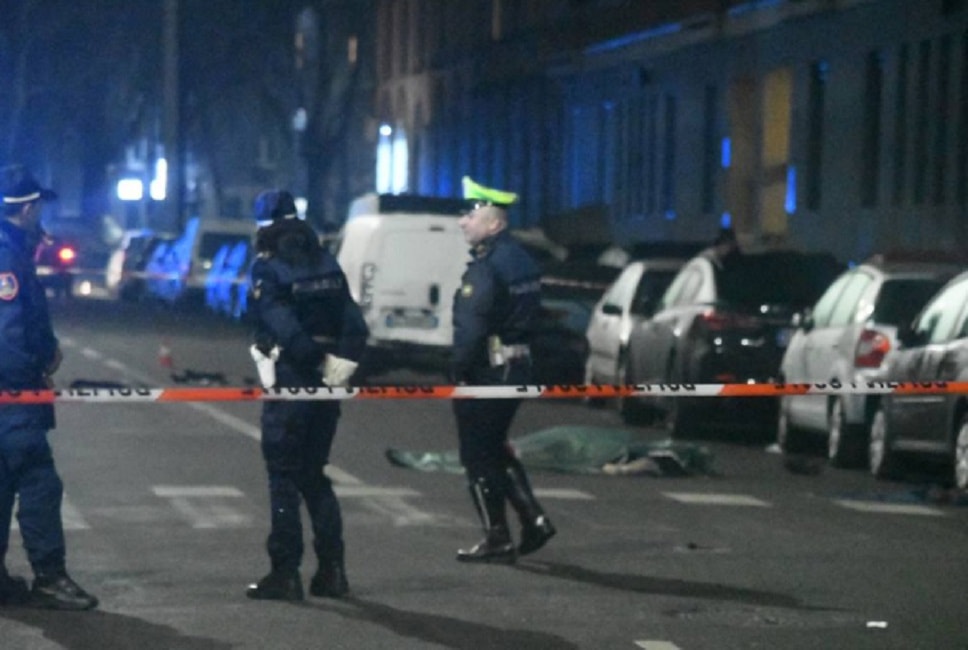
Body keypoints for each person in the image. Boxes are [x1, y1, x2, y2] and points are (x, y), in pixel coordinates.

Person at [245, 189, 368, 601]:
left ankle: (285, 573)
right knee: (314, 474)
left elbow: (280, 323)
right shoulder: (327, 262)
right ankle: (333, 572)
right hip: (328, 384)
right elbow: (354, 323)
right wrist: (341, 363)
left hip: (292, 378)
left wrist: (312, 359)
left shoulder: (269, 267)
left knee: (283, 476)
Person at [0, 165, 98, 610]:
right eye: (39, 206)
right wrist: (34, 371)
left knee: (3, 481)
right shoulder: (6, 256)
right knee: (40, 482)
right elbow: (8, 334)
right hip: (12, 396)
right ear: (28, 208)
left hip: (10, 392)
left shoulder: (13, 250)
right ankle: (49, 577)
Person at [450, 176, 556, 564]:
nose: (462, 221)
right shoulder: (523, 261)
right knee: (494, 446)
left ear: (494, 224)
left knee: (477, 455)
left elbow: (471, 328)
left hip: (487, 372)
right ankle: (533, 519)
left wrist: (458, 371)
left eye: (471, 215)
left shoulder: (486, 268)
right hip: (518, 366)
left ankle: (497, 536)